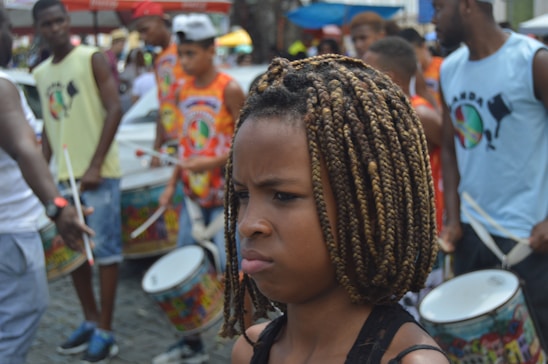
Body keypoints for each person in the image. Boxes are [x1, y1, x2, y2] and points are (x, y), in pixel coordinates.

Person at [219, 54, 449, 363]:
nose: (248, 224)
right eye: (242, 195)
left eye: (283, 196)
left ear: (365, 206)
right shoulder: (250, 351)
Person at [434, 0, 548, 350]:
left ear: (467, 5)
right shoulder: (449, 70)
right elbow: (451, 150)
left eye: (439, 8)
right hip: (473, 237)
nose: (434, 20)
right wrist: (453, 219)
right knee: (483, 351)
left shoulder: (533, 61)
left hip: (531, 241)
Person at [32, 0, 124, 362]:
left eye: (59, 20)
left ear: (68, 21)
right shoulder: (39, 73)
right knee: (76, 256)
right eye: (47, 23)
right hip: (64, 179)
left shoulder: (91, 58)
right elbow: (52, 130)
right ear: (38, 27)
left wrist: (96, 164)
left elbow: (115, 108)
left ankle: (106, 329)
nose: (54, 28)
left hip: (98, 177)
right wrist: (41, 173)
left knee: (105, 254)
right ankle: (88, 319)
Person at [0, 7, 93, 363]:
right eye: (7, 28)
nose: (11, 36)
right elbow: (25, 148)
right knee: (16, 326)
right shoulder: (3, 86)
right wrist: (58, 207)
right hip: (10, 235)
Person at [153, 14, 246, 364]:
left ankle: (248, 344)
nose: (184, 61)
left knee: (235, 276)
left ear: (212, 50)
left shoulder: (230, 89)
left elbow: (245, 147)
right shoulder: (183, 90)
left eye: (191, 53)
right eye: (181, 54)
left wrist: (207, 165)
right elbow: (183, 145)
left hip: (225, 202)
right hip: (192, 200)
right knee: (182, 273)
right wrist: (171, 184)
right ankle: (190, 342)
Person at [363, 36, 445, 319]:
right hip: (391, 235)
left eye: (365, 70)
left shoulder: (419, 114)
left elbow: (452, 157)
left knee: (417, 316)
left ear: (387, 77)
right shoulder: (374, 115)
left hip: (421, 236)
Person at [132, 1, 188, 164]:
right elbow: (163, 106)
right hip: (173, 145)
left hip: (191, 142)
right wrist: (156, 150)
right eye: (140, 33)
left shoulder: (184, 51)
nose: (143, 37)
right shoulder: (160, 60)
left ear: (160, 21)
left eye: (145, 30)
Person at [398, 27, 444, 110]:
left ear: (423, 46)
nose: (411, 59)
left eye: (412, 54)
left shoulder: (443, 66)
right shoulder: (408, 74)